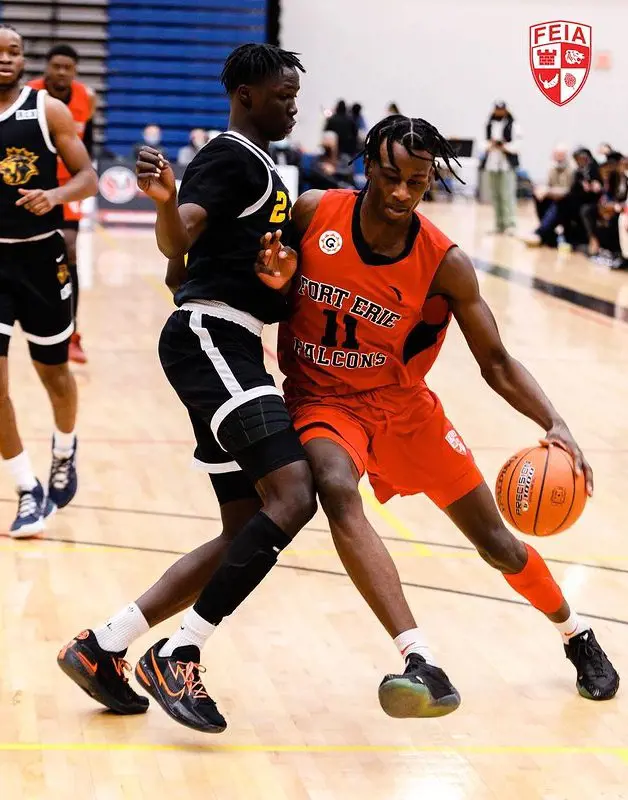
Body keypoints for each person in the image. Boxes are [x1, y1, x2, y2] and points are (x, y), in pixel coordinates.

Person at [57, 114, 618, 732]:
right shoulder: (312, 213)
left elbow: (498, 363)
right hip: (323, 403)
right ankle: (420, 658)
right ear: (367, 167)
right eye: (390, 176)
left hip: (406, 410)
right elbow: (218, 268)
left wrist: (557, 421)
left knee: (499, 543)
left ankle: (576, 633)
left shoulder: (444, 262)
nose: (402, 192)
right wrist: (229, 277)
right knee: (331, 486)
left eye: (417, 181)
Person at [57, 43, 317, 733]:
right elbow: (177, 244)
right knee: (293, 495)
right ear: (245, 95)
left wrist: (278, 281)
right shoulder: (231, 156)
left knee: (241, 528)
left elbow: (189, 262)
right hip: (213, 339)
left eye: (296, 93)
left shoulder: (260, 165)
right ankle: (181, 652)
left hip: (224, 337)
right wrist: (169, 206)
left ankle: (104, 645)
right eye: (283, 94)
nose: (294, 103)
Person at [0, 26, 98, 536]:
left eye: (13, 51)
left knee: (53, 374)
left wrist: (56, 197)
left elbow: (88, 175)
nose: (5, 58)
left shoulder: (46, 111)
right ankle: (25, 488)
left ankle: (64, 449)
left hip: (40, 260)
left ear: (23, 59)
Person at [28, 44, 96, 365]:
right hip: (29, 183)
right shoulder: (30, 95)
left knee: (69, 249)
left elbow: (89, 142)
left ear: (75, 71)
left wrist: (84, 177)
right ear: (46, 67)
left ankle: (72, 332)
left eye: (67, 67)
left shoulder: (87, 99)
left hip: (67, 186)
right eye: (56, 66)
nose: (61, 72)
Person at [481, 101, 520, 235]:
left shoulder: (513, 125)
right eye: (497, 109)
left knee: (507, 195)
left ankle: (510, 224)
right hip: (492, 164)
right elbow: (483, 144)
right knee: (495, 195)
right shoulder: (489, 124)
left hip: (506, 165)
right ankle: (499, 224)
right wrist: (491, 144)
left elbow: (518, 146)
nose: (499, 112)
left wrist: (504, 146)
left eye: (501, 109)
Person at [524, 144, 574, 247]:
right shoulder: (552, 168)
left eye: (560, 155)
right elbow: (548, 185)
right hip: (554, 198)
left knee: (559, 204)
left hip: (568, 202)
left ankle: (541, 232)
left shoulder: (572, 169)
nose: (558, 158)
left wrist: (548, 191)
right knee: (538, 196)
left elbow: (568, 191)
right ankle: (547, 231)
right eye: (556, 155)